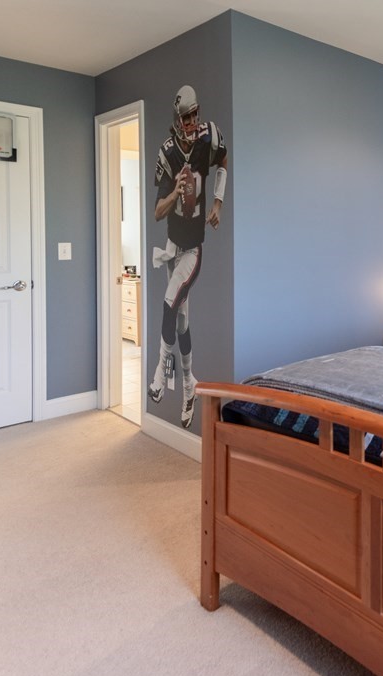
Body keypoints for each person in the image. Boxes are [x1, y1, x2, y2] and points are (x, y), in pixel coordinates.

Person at [147, 85, 228, 429]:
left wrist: (218, 202)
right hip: (172, 249)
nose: (193, 121)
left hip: (193, 249)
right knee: (181, 322)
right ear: (177, 120)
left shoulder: (209, 137)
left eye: (196, 114)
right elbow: (157, 212)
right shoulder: (167, 153)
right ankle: (188, 384)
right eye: (187, 117)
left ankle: (159, 373)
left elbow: (223, 160)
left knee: (169, 303)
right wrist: (175, 194)